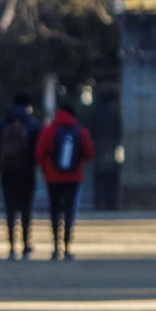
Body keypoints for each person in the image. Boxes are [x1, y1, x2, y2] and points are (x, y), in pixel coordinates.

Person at [35, 100, 94, 260]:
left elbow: (39, 154)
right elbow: (89, 153)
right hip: (74, 179)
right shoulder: (80, 131)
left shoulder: (49, 130)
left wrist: (47, 170)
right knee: (69, 211)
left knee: (55, 210)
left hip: (53, 178)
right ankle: (67, 246)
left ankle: (55, 245)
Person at [0, 93, 42, 260]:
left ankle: (12, 246)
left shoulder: (2, 124)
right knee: (26, 209)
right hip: (27, 171)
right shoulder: (33, 124)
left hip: (8, 171)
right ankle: (26, 245)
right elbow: (39, 150)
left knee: (10, 209)